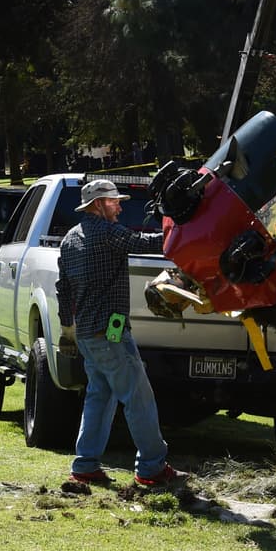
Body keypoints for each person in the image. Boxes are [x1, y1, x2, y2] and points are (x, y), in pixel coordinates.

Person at [56, 179, 188, 489]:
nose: (120, 206)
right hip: (110, 333)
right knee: (138, 397)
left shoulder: (71, 238)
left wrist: (67, 328)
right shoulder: (105, 232)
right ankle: (152, 468)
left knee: (99, 398)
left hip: (88, 334)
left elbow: (63, 289)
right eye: (114, 201)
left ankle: (86, 466)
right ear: (98, 205)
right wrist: (181, 230)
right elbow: (146, 245)